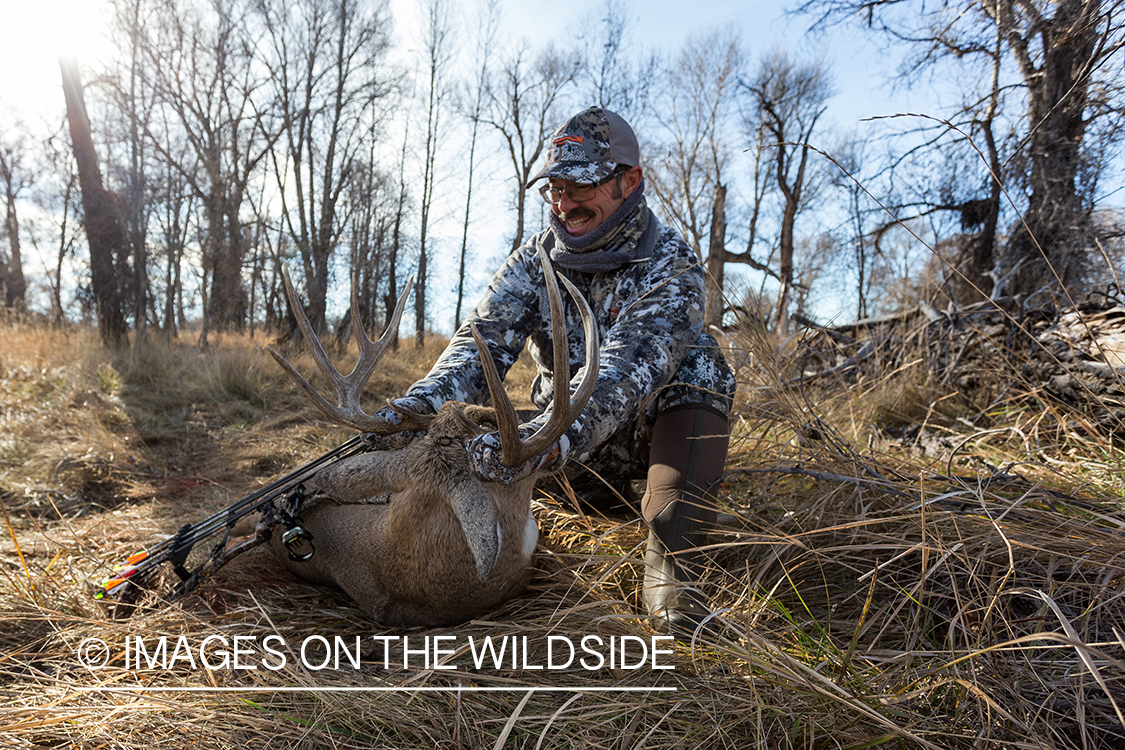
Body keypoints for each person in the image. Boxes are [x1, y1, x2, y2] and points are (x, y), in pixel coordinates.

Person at [378, 106, 735, 634]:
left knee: (702, 367)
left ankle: (672, 563)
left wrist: (550, 439)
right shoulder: (533, 260)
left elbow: (623, 373)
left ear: (629, 181)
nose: (564, 204)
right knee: (468, 435)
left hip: (631, 441)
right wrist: (414, 408)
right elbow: (479, 348)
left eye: (580, 187)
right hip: (558, 456)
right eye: (554, 189)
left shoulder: (672, 266)